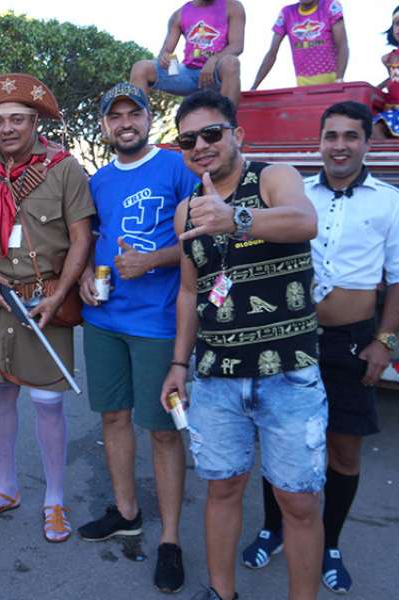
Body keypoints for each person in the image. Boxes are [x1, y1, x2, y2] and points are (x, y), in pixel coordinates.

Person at [160, 91, 323, 600]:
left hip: (288, 372)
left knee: (298, 502)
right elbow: (190, 291)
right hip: (217, 375)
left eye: (211, 133)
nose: (201, 146)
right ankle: (221, 593)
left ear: (238, 135)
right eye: (189, 140)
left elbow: (304, 221)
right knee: (223, 488)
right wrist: (179, 364)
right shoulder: (186, 210)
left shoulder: (274, 177)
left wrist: (236, 219)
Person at [241, 101, 399, 595]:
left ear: (367, 143)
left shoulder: (390, 202)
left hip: (353, 342)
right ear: (319, 142)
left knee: (344, 450)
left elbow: (398, 280)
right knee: (281, 441)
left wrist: (385, 342)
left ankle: (330, 543)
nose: (340, 146)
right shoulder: (295, 195)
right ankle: (273, 528)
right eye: (331, 136)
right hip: (291, 336)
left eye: (351, 136)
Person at [0, 73, 95, 543]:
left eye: (17, 119)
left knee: (48, 403)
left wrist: (60, 293)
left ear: (35, 123)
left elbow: (80, 238)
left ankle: (54, 500)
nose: (7, 128)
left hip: (43, 301)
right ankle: (6, 487)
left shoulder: (64, 169)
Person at [76, 82, 198, 593]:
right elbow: (91, 239)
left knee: (164, 431)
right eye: (116, 116)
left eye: (134, 113)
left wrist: (152, 260)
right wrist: (85, 274)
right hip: (105, 321)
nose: (125, 123)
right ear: (105, 125)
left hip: (159, 325)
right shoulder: (98, 180)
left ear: (150, 118)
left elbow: (201, 239)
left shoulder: (177, 167)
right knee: (113, 417)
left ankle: (170, 539)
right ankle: (126, 512)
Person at [130, 1, 244, 106]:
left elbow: (237, 45)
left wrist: (213, 60)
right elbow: (165, 52)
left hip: (216, 73)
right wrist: (165, 58)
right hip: (188, 73)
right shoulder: (179, 15)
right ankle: (139, 118)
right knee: (141, 68)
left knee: (231, 62)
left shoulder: (233, 6)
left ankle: (227, 119)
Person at [251, 0, 348, 90]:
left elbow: (342, 45)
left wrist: (339, 80)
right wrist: (254, 87)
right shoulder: (287, 13)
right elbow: (272, 53)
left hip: (332, 84)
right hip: (303, 88)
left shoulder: (330, 6)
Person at [374, 5, 399, 139]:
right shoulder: (387, 58)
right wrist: (376, 88)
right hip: (393, 108)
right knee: (374, 127)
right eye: (397, 24)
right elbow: (394, 78)